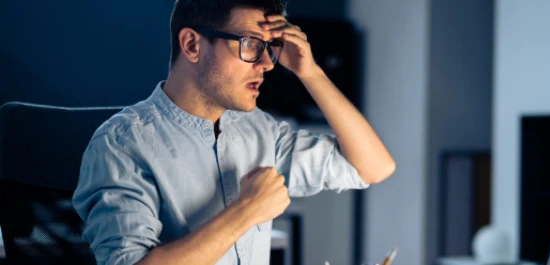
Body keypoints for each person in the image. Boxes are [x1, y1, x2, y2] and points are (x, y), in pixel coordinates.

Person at [71, 0, 396, 265]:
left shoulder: (259, 128)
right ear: (192, 44)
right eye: (251, 44)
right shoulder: (121, 144)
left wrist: (309, 73)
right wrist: (246, 210)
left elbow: (374, 167)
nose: (267, 64)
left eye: (270, 48)